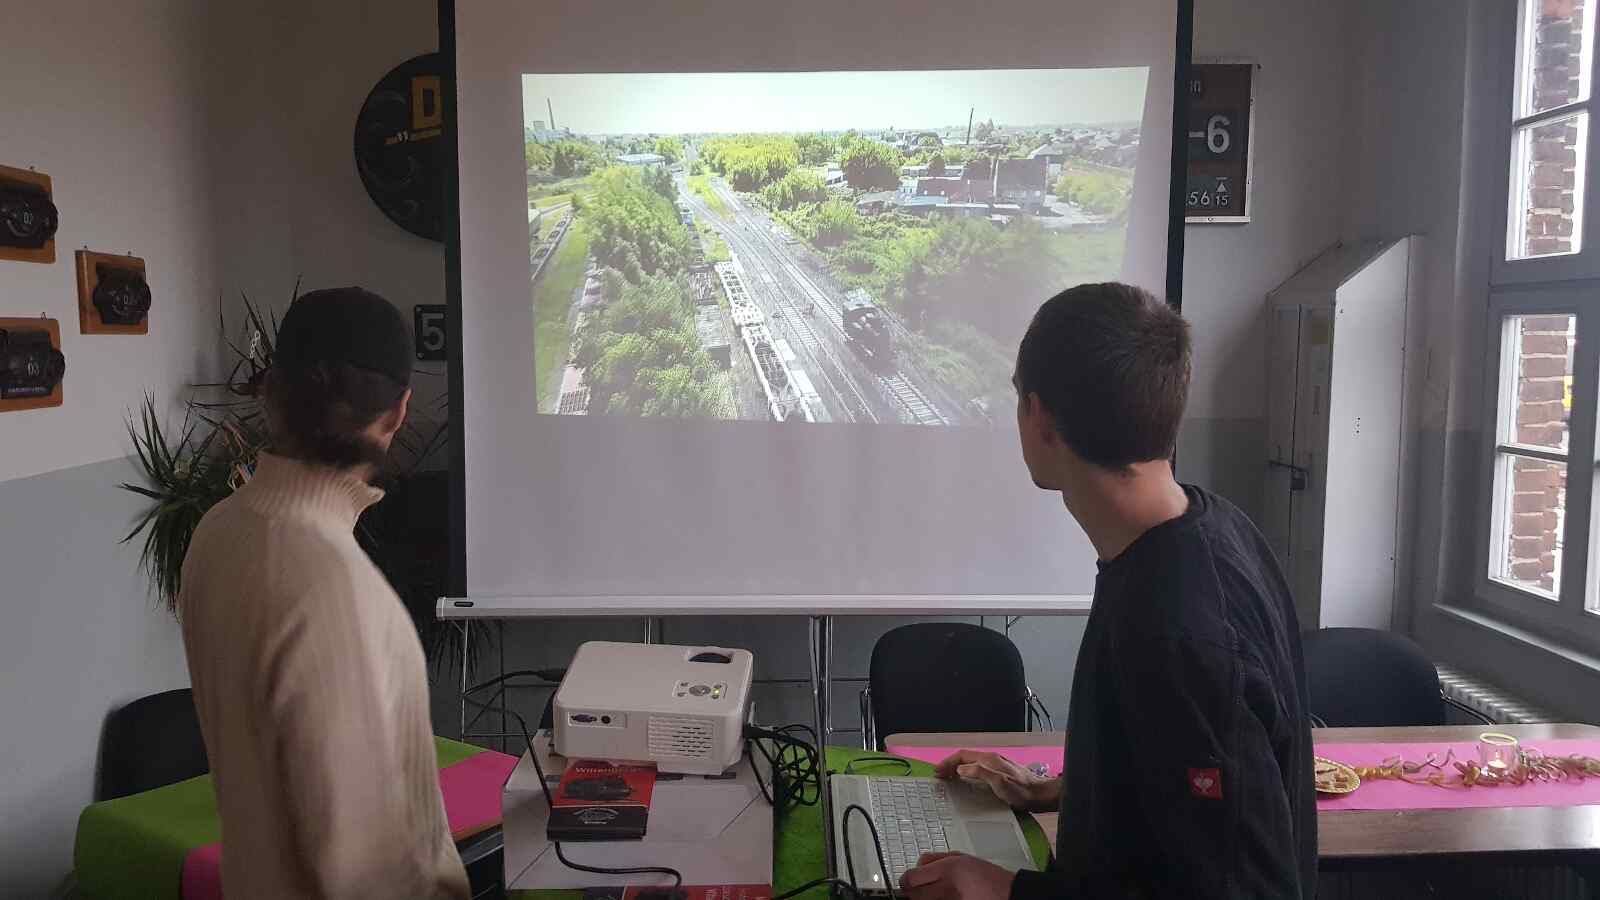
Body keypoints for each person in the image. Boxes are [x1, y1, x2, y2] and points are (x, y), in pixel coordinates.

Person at [901, 283, 1316, 900]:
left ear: (1038, 417)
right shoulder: (1210, 532)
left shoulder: (1179, 629)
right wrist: (1058, 789)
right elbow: (1175, 795)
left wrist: (1005, 891)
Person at [178, 288, 467, 899]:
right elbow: (370, 873)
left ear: (273, 392)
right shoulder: (334, 588)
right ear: (398, 412)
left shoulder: (219, 529)